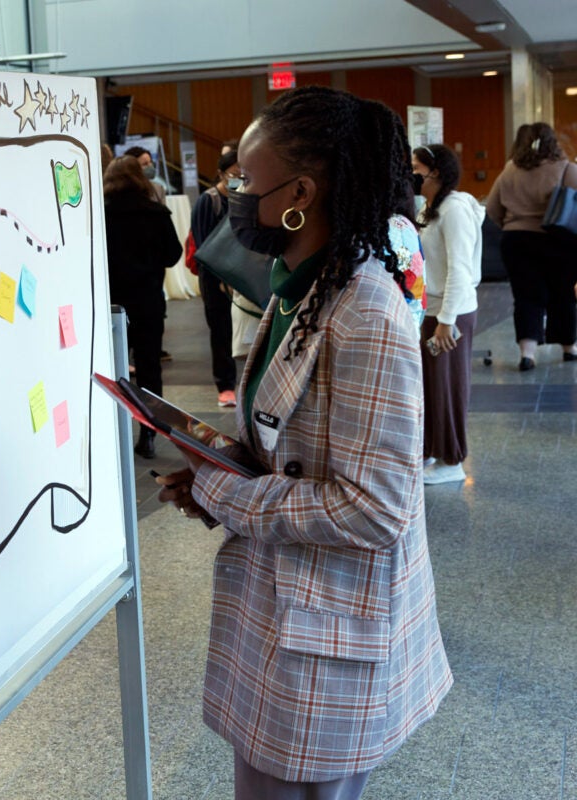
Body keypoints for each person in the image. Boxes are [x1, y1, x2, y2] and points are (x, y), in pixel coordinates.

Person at [156, 86, 452, 798]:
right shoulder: (305, 289)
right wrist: (213, 475)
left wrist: (229, 493)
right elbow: (287, 442)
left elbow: (378, 509)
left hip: (331, 626)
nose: (232, 196)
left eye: (244, 183)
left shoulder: (367, 312)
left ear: (301, 194)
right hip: (286, 611)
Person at [412, 145, 484, 484]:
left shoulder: (455, 209)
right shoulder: (429, 208)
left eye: (416, 168)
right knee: (431, 386)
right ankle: (431, 450)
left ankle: (452, 459)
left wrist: (446, 321)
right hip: (432, 309)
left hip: (450, 313)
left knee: (449, 386)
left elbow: (460, 268)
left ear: (435, 172)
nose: (410, 173)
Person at [103, 155, 182, 458]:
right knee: (149, 370)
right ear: (140, 178)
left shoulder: (102, 214)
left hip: (112, 305)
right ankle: (148, 433)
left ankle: (114, 429)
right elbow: (173, 255)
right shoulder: (156, 212)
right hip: (148, 301)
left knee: (114, 369)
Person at [485, 122, 577, 370]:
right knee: (563, 293)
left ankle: (528, 354)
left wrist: (513, 223)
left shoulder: (509, 171)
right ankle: (569, 347)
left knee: (526, 296)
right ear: (552, 142)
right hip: (558, 240)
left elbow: (492, 209)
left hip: (517, 242)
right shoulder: (566, 169)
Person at [189, 150, 243, 407]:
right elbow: (202, 246)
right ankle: (225, 385)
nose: (240, 177)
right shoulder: (208, 200)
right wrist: (222, 276)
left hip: (243, 278)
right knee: (221, 331)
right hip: (215, 278)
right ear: (221, 173)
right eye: (234, 173)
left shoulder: (245, 197)